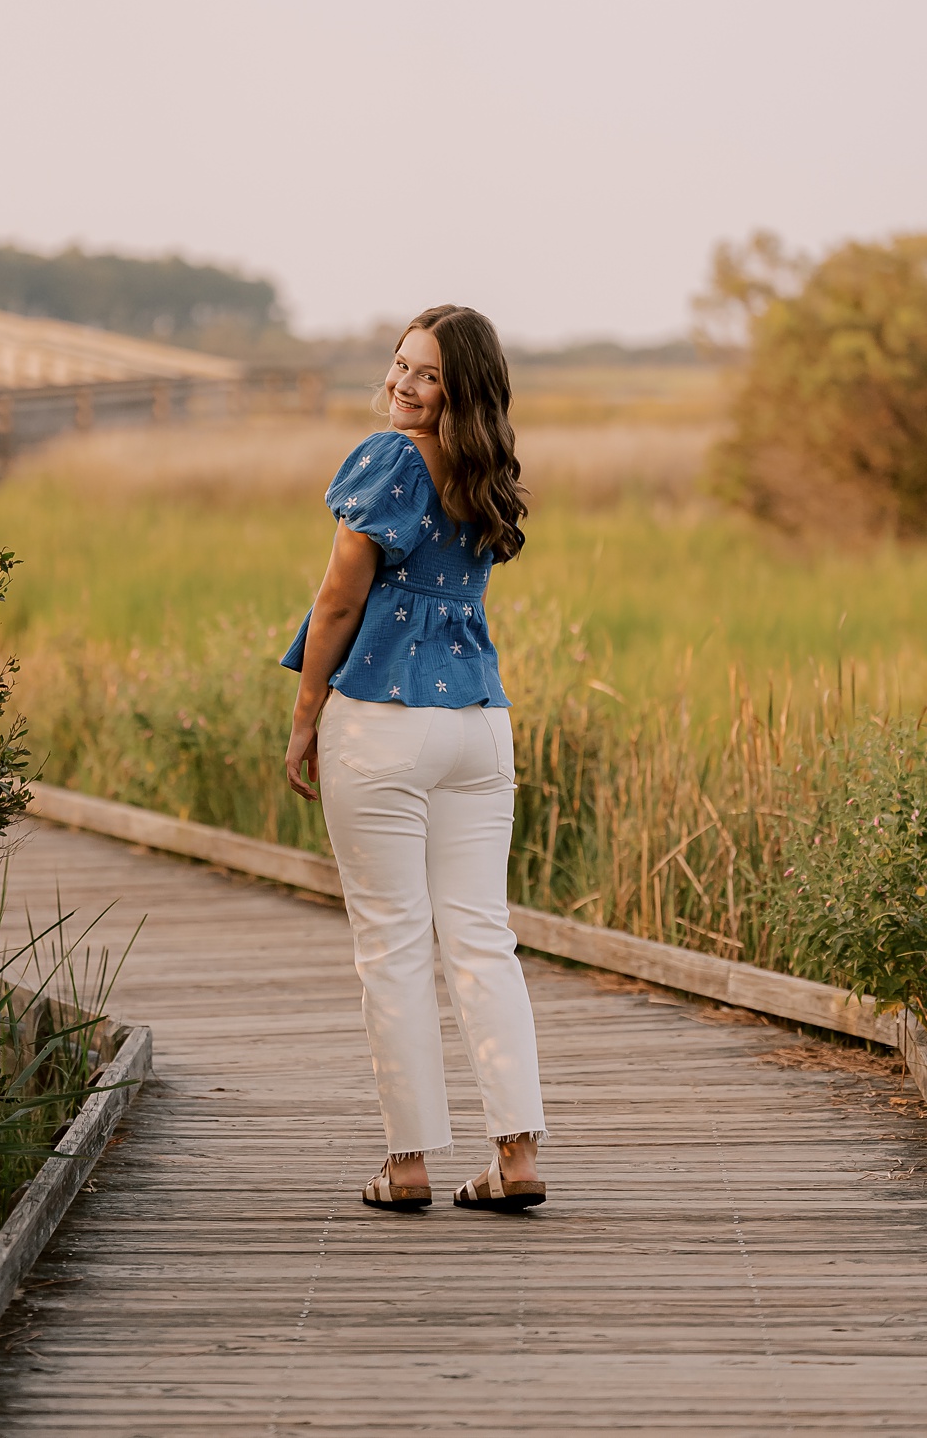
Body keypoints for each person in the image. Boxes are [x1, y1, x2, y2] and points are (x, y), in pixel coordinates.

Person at [279, 304, 546, 1213]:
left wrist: (307, 708)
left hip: (384, 720)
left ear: (456, 389)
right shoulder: (486, 468)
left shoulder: (389, 461)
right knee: (481, 936)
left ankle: (407, 1167)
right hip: (478, 722)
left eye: (426, 374)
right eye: (399, 365)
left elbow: (337, 597)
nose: (402, 384)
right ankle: (515, 1158)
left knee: (392, 942)